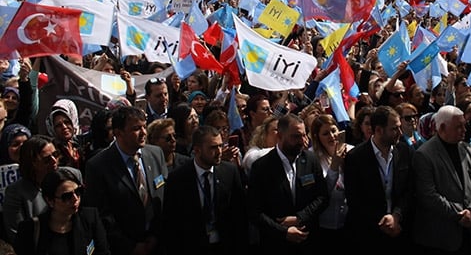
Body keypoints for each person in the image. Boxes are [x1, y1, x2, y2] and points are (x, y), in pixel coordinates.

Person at [84, 106, 167, 255]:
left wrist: (156, 236)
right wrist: (130, 247)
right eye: (136, 128)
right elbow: (101, 215)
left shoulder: (155, 154)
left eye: (144, 126)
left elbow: (164, 197)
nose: (143, 133)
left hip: (158, 243)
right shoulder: (98, 166)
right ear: (118, 133)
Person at [411, 106, 471, 255]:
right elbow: (428, 195)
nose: (464, 130)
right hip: (441, 236)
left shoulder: (469, 150)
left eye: (464, 125)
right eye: (458, 127)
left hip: (469, 232)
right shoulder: (424, 155)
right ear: (442, 128)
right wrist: (460, 214)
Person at [247, 113, 328, 255]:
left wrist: (300, 218)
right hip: (276, 244)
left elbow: (322, 196)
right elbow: (254, 210)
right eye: (296, 137)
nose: (302, 141)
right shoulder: (261, 167)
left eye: (304, 135)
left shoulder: (311, 160)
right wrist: (284, 232)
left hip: (308, 240)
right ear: (280, 136)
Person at [163, 125, 247, 254]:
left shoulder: (229, 171)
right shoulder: (178, 179)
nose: (219, 151)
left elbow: (239, 213)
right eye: (213, 148)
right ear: (197, 150)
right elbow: (172, 222)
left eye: (220, 145)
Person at [344, 106, 413, 254]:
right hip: (368, 235)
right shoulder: (355, 158)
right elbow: (354, 199)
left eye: (400, 127)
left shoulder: (405, 151)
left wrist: (396, 216)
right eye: (394, 129)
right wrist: (382, 222)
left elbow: (409, 189)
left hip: (400, 230)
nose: (400, 133)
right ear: (379, 130)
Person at [3, 136, 82, 244]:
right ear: (32, 162)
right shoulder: (16, 192)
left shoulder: (72, 175)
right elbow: (17, 235)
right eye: (46, 159)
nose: (54, 161)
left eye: (56, 155)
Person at [14, 169, 110, 255]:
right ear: (50, 201)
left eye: (78, 191)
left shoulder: (90, 218)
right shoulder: (29, 229)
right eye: (67, 196)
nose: (75, 199)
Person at [309, 114, 352, 252]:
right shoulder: (312, 158)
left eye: (333, 131)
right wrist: (334, 165)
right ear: (317, 137)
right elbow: (323, 190)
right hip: (325, 223)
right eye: (325, 133)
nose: (332, 136)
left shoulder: (351, 151)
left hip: (348, 220)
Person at [44, 100, 83, 170]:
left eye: (67, 122)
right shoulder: (52, 150)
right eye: (58, 125)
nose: (64, 127)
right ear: (52, 128)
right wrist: (70, 164)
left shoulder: (83, 143)